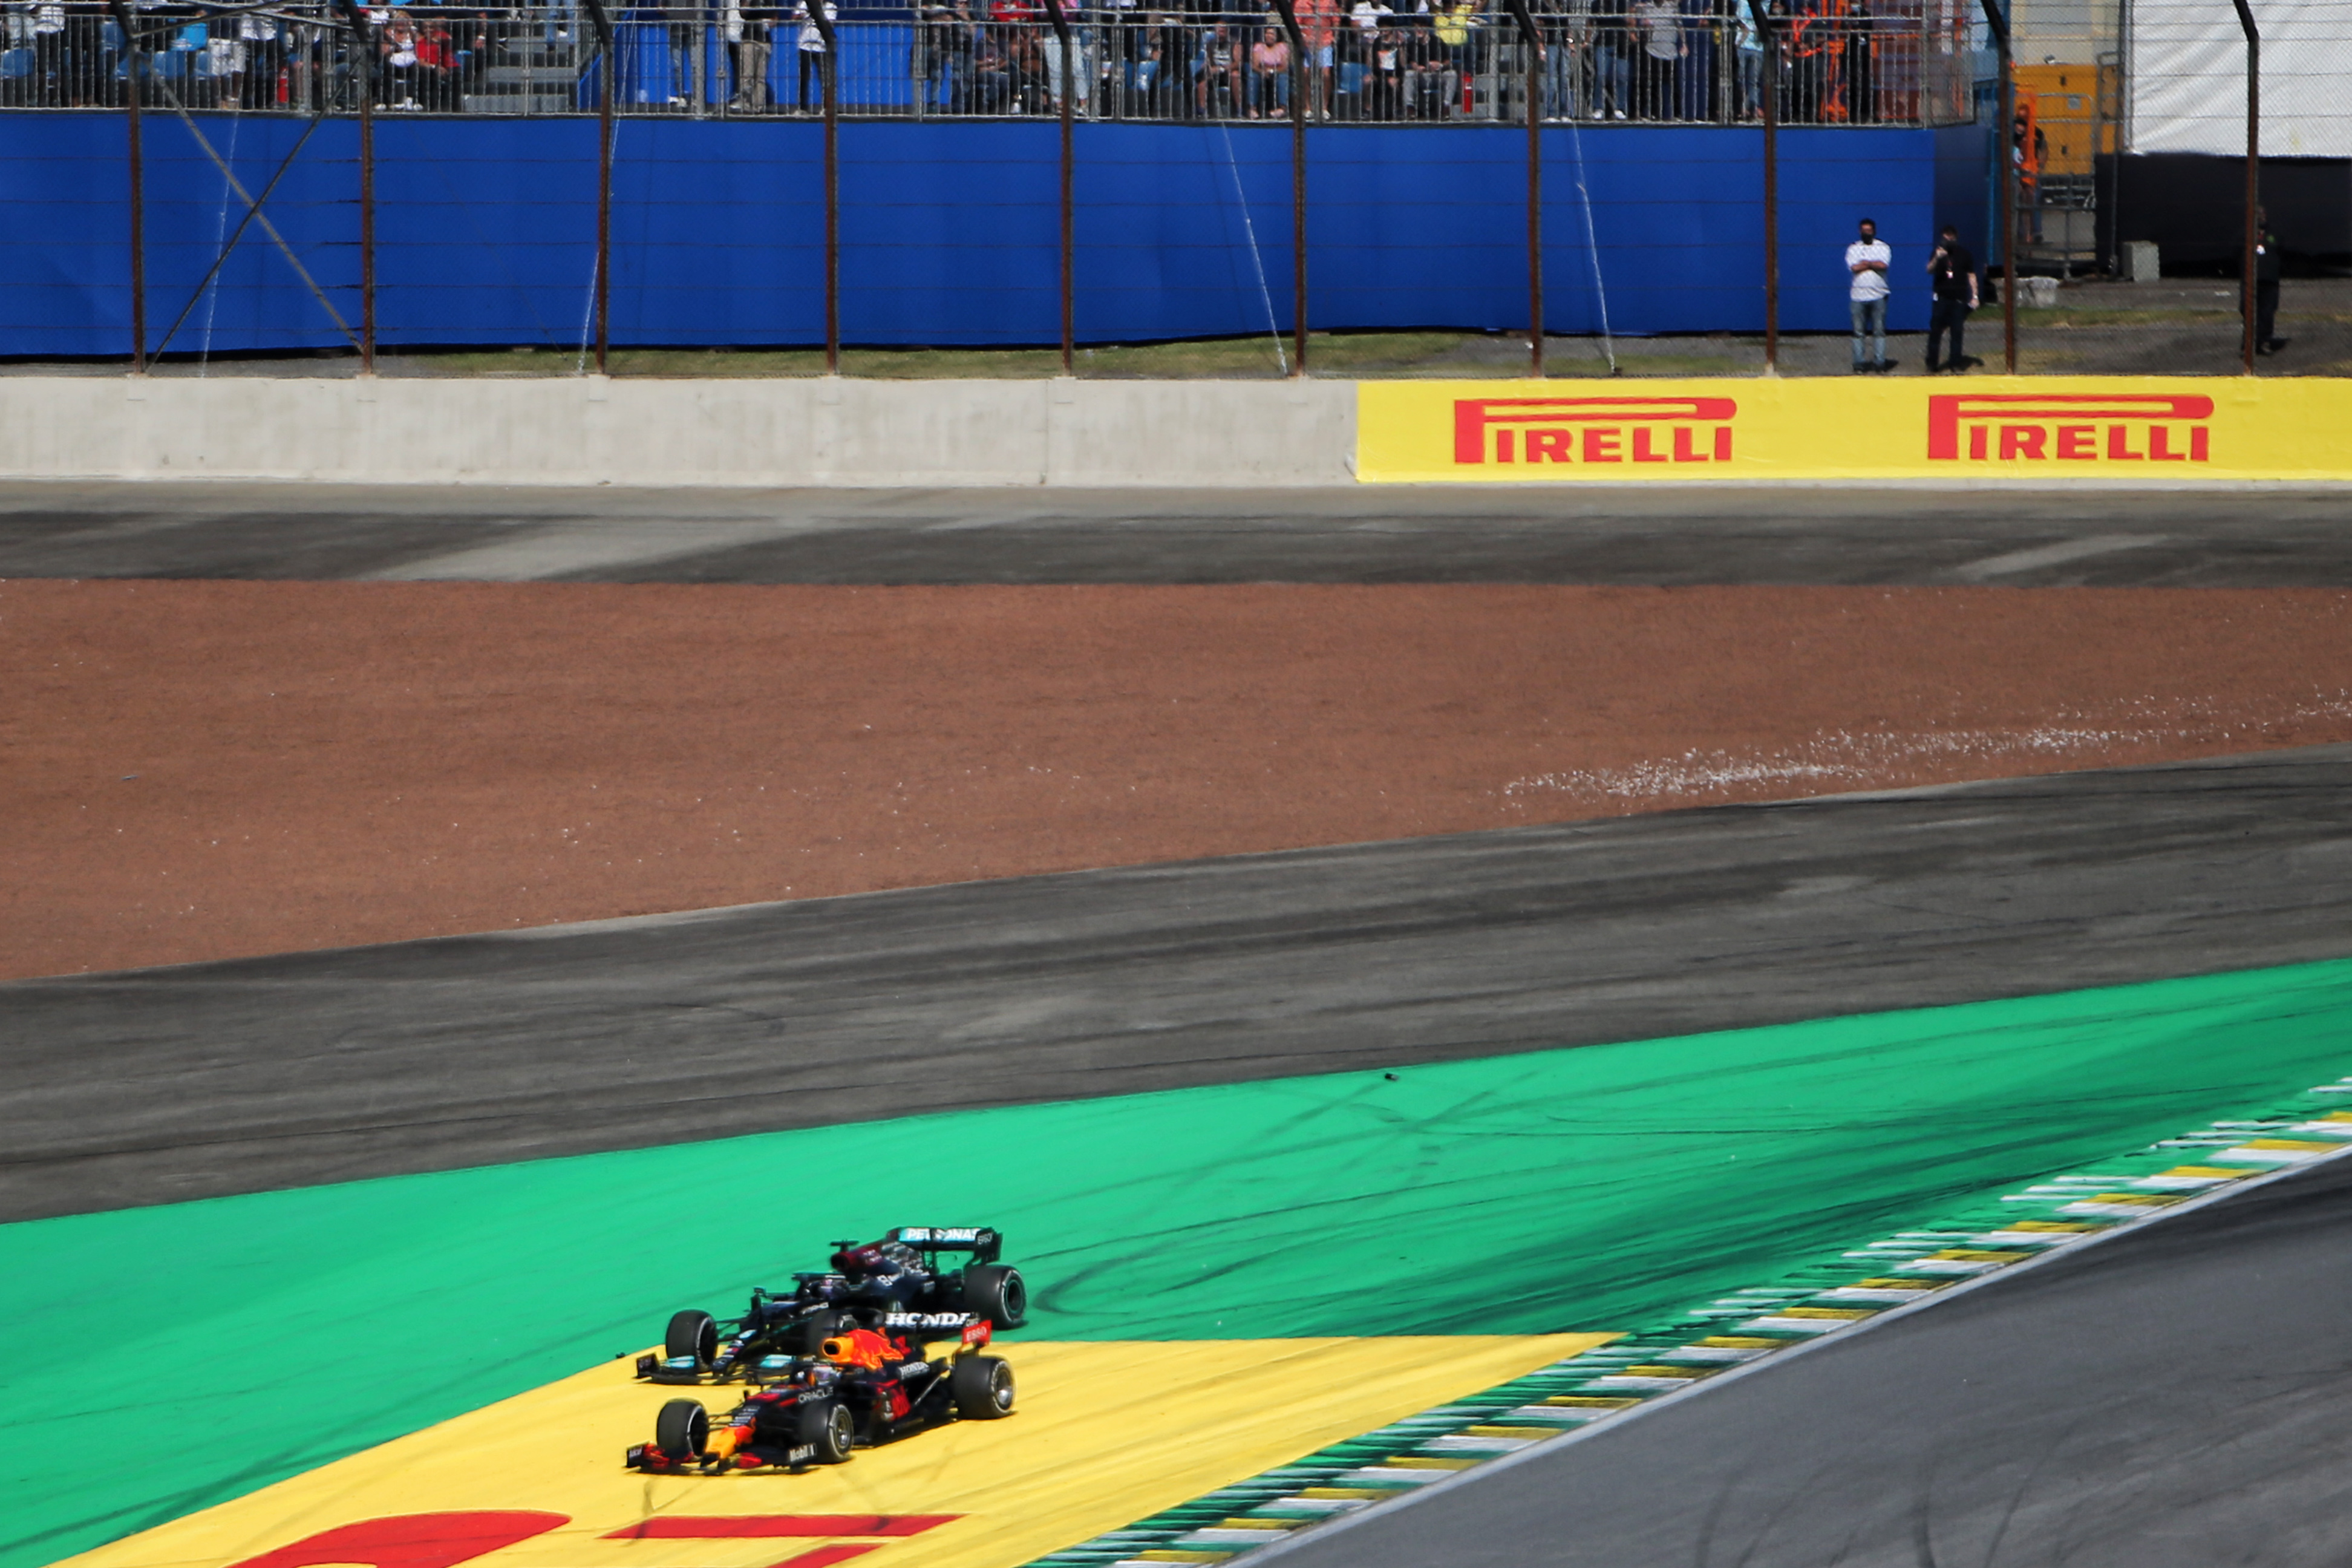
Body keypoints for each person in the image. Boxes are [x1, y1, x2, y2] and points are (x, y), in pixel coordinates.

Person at [1923, 222, 1977, 373]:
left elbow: (1971, 275)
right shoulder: (1938, 253)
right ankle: (1932, 363)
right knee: (1936, 331)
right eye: (1945, 239)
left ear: (1956, 239)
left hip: (1958, 299)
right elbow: (1929, 270)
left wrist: (1975, 296)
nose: (1947, 242)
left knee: (1957, 332)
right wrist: (1937, 259)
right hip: (1941, 298)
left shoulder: (1964, 254)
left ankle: (1955, 363)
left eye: (1950, 239)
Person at [1846, 214, 1890, 372]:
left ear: (1874, 231)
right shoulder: (1853, 248)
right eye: (1864, 230)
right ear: (1860, 231)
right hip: (1858, 296)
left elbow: (1883, 265)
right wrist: (1872, 264)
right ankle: (1859, 364)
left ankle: (1880, 363)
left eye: (1870, 230)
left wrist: (1867, 263)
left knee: (1879, 331)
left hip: (1879, 295)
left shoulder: (1883, 247)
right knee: (1858, 333)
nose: (1867, 233)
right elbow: (1854, 267)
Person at [2250, 205, 2284, 356]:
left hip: (2270, 281)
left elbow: (2281, 250)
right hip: (2252, 281)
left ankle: (2266, 340)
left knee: (2268, 312)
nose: (2262, 217)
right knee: (2250, 311)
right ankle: (2251, 343)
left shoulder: (2274, 233)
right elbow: (2237, 251)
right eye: (2258, 214)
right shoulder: (2247, 234)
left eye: (2263, 214)